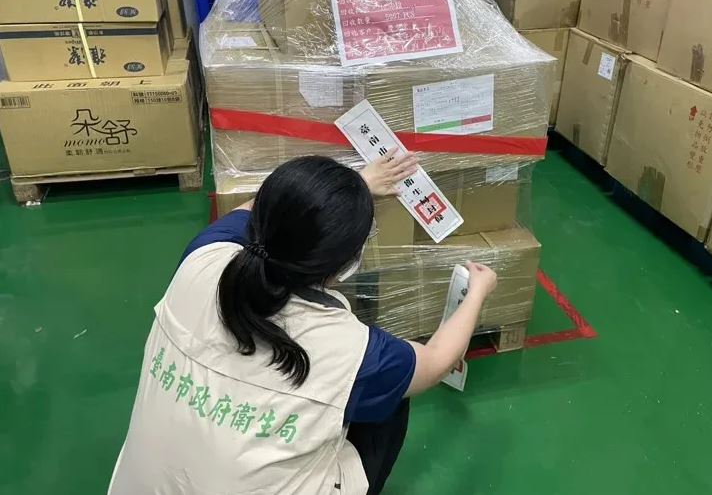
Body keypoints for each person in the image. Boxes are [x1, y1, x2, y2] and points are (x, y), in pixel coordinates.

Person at [108, 152, 498, 495]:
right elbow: (434, 362)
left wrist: (349, 189)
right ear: (345, 263)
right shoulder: (347, 349)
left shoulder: (204, 258)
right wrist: (477, 292)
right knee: (391, 397)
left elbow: (257, 207)